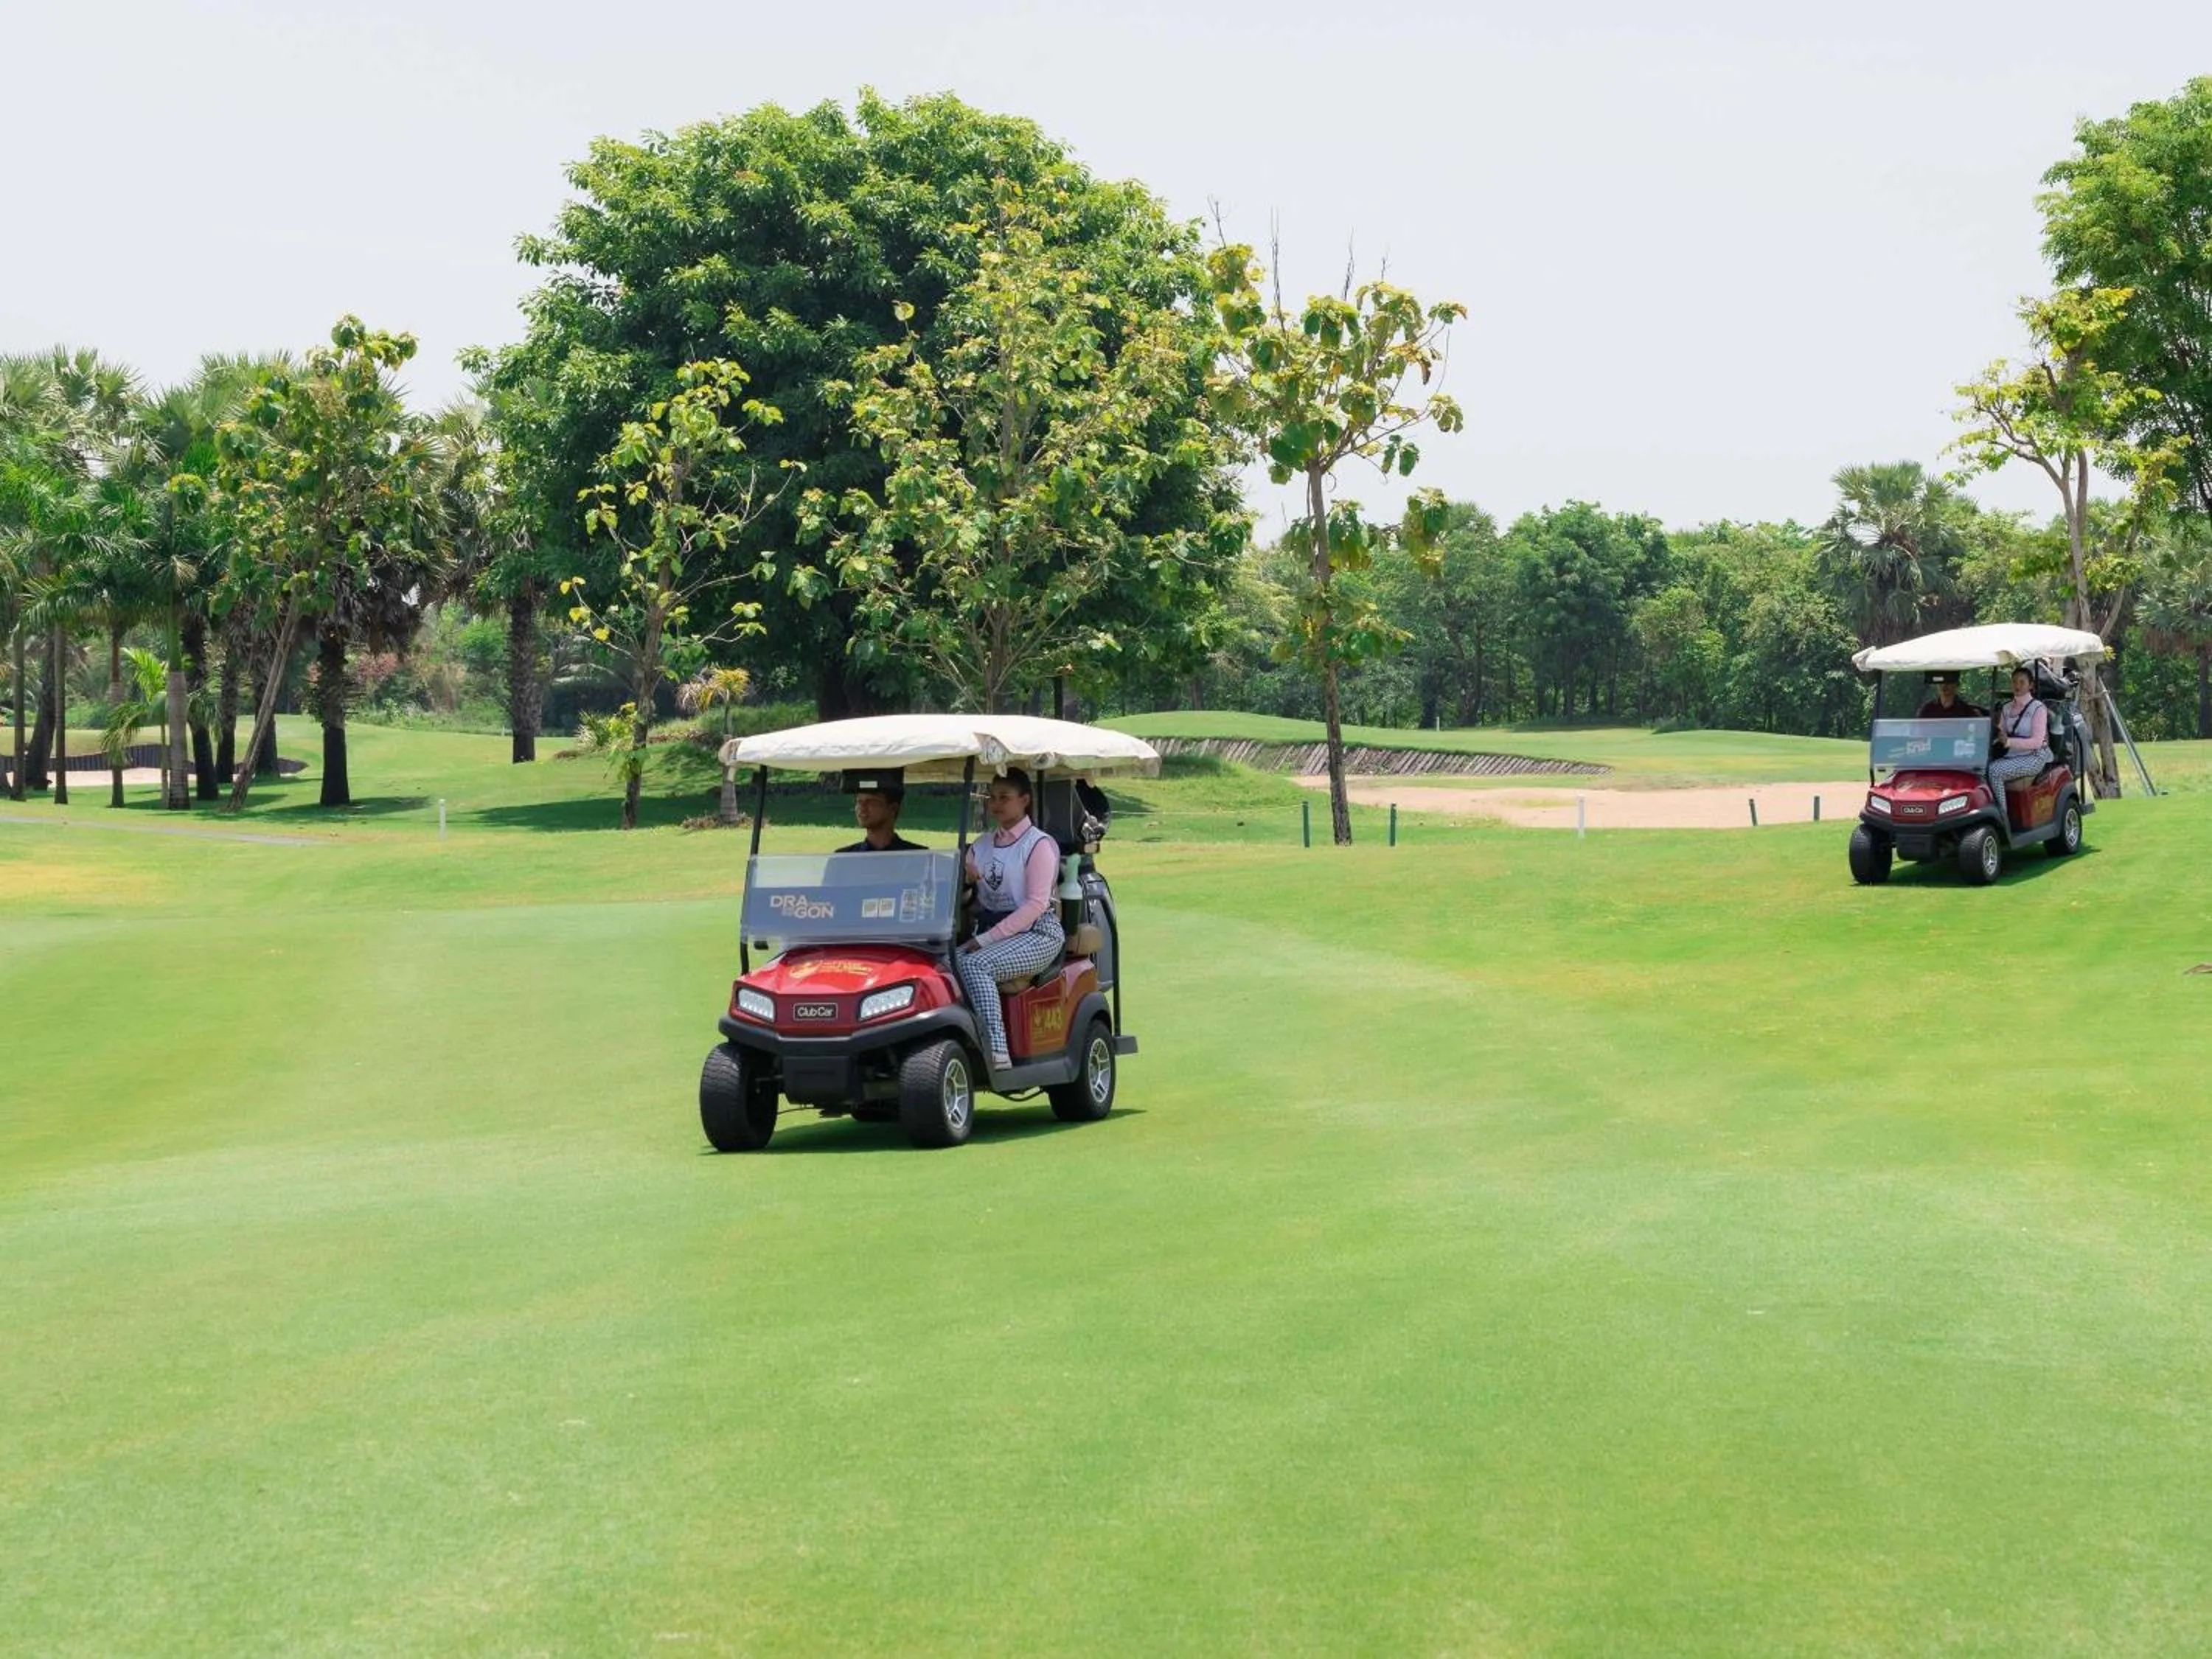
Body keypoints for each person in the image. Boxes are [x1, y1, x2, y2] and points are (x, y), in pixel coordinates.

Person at [954, 766, 1063, 1072]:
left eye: (1005, 797)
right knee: (942, 965)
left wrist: (983, 940)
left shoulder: (1039, 845)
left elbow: (1036, 905)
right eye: (992, 797)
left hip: (1037, 933)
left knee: (976, 963)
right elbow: (968, 898)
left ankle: (996, 1051)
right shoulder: (981, 845)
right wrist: (964, 879)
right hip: (990, 930)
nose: (996, 804)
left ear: (1024, 800)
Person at [1987, 667, 2052, 788]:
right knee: (1981, 768)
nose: (2017, 685)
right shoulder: (2006, 708)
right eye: (2015, 682)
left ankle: (2001, 808)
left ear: (2030, 685)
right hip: (2012, 755)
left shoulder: (2038, 708)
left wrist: (2009, 742)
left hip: (2033, 756)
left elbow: (2037, 742)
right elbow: (2001, 733)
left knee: (1994, 771)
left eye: (2022, 682)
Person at [837, 782, 922, 853]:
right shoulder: (843, 858)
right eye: (859, 802)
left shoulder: (918, 856)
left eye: (871, 802)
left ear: (893, 808)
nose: (862, 808)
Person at [1917, 672, 1986, 720]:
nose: (1944, 686)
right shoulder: (1927, 710)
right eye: (1941, 683)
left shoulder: (1966, 711)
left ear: (1957, 684)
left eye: (1948, 682)